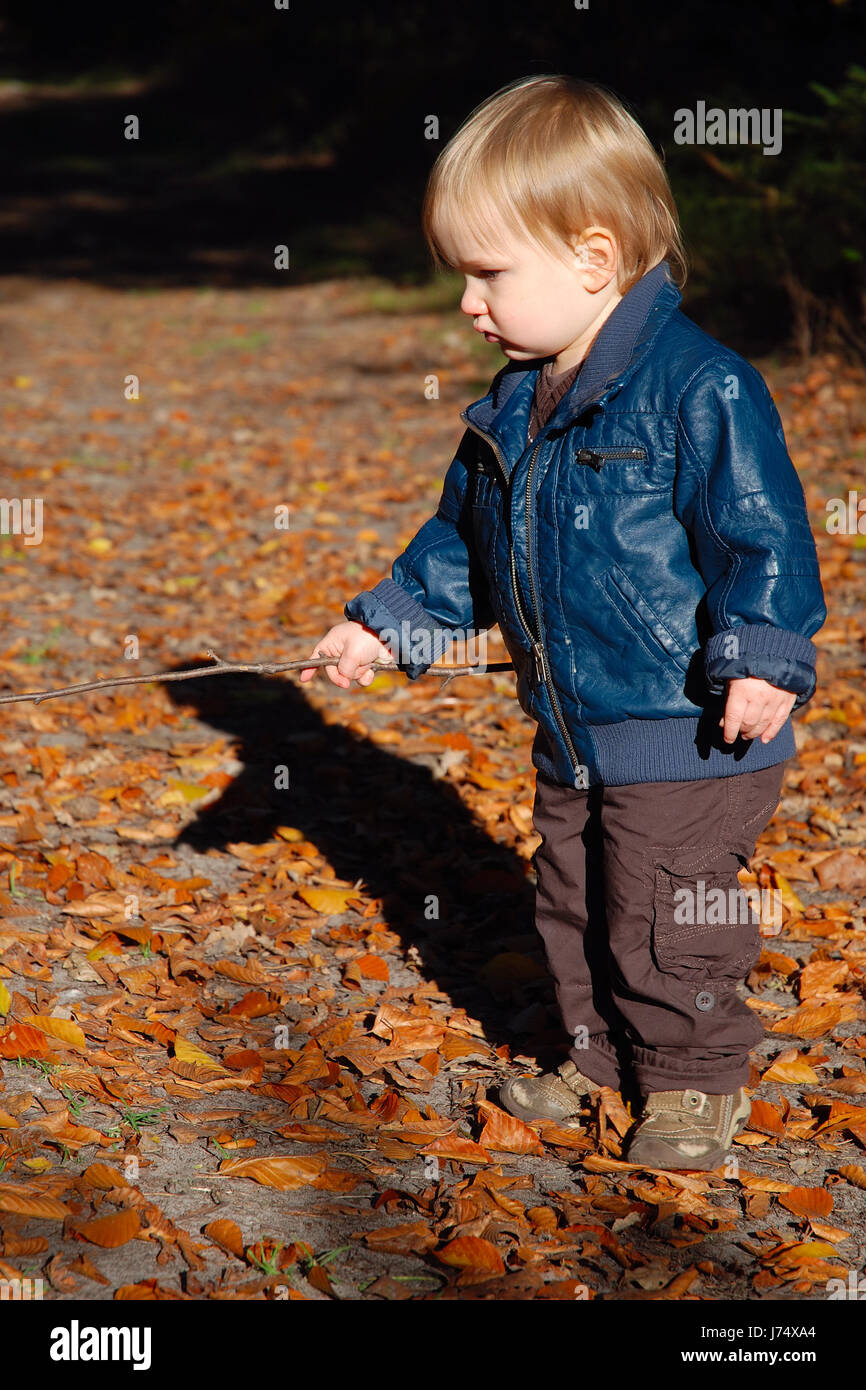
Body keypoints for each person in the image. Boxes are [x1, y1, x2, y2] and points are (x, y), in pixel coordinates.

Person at [300, 74, 826, 1170]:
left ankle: (691, 1076)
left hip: (689, 726)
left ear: (591, 260)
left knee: (669, 913)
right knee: (572, 899)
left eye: (487, 275)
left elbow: (758, 533)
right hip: (573, 722)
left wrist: (763, 655)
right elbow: (461, 544)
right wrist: (388, 623)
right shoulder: (511, 406)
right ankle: (593, 1057)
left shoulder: (698, 388)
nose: (466, 305)